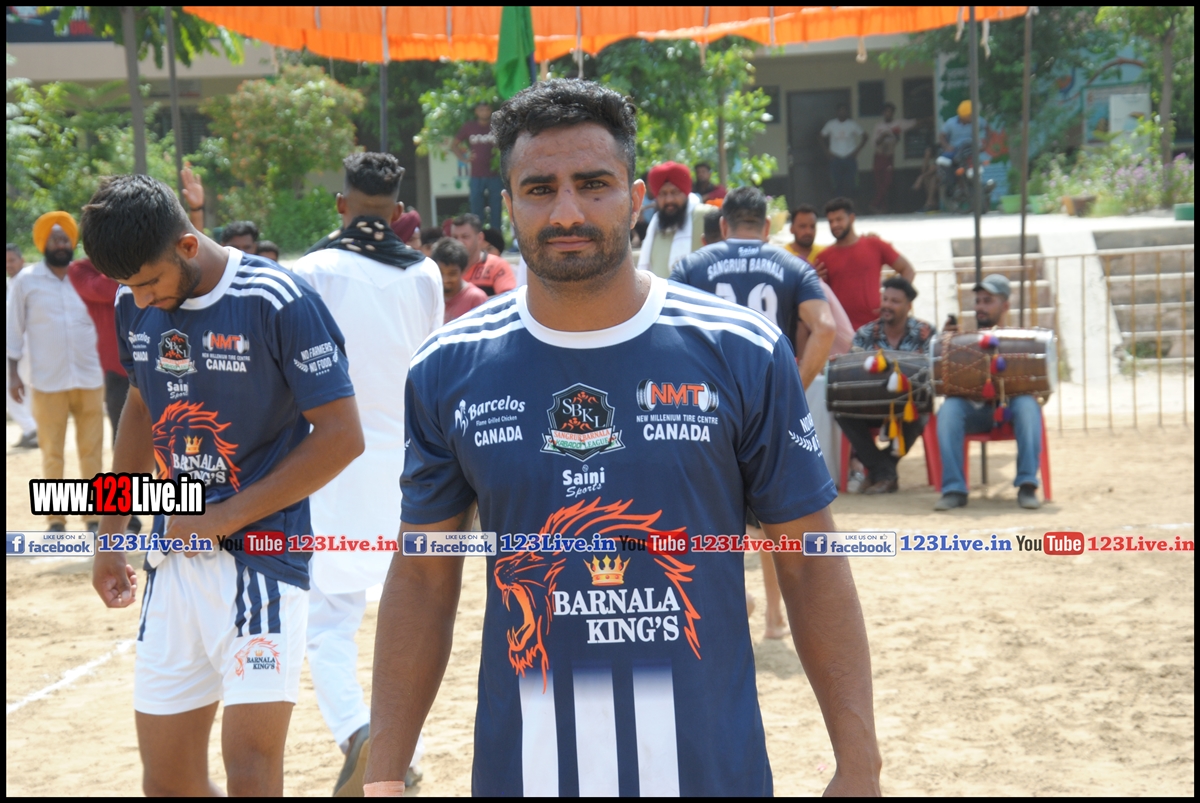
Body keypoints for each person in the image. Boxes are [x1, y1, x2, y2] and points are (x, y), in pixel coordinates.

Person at [365, 78, 880, 798]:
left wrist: (859, 765)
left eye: (593, 184)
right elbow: (423, 577)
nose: (566, 211)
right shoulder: (449, 367)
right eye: (539, 189)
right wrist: (383, 775)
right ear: (507, 205)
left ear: (636, 199)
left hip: (709, 773)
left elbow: (809, 563)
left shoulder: (741, 350)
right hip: (528, 773)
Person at [82, 174, 364, 797]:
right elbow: (139, 407)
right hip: (172, 563)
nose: (141, 299)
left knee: (251, 772)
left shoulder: (277, 299)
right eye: (128, 286)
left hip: (264, 562)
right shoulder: (134, 300)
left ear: (187, 245)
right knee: (168, 783)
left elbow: (343, 437)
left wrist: (221, 518)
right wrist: (111, 533)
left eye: (148, 282)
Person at [293, 152, 442, 793]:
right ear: (399, 209)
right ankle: (399, 748)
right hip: (407, 466)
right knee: (408, 614)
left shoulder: (310, 271)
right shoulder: (425, 273)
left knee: (328, 619)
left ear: (341, 203)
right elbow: (432, 368)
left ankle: (358, 731)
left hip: (330, 460)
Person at [671, 185, 837, 642]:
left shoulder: (692, 265)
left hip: (708, 405)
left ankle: (735, 598)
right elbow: (825, 328)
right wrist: (794, 388)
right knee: (774, 516)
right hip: (767, 401)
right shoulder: (792, 264)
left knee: (709, 508)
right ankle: (774, 618)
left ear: (723, 225)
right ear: (767, 227)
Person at [7, 212, 104, 532]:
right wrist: (13, 374)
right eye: (54, 239)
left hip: (91, 376)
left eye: (65, 239)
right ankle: (57, 520)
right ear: (43, 243)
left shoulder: (88, 277)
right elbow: (13, 330)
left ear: (72, 242)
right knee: (52, 453)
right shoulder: (26, 280)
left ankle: (93, 517)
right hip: (48, 381)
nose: (60, 244)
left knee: (92, 450)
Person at [935, 274, 1044, 511]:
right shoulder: (961, 341)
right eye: (978, 301)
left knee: (1028, 405)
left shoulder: (1021, 341)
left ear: (1005, 306)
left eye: (988, 301)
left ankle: (1027, 485)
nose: (980, 307)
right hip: (975, 413)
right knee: (948, 411)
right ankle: (954, 489)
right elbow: (943, 382)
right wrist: (946, 343)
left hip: (1011, 413)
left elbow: (1037, 384)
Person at [837, 276, 935, 495]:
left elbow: (933, 373)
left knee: (921, 413)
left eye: (895, 301)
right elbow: (852, 369)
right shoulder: (865, 334)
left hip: (907, 407)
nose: (887, 305)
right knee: (841, 412)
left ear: (908, 306)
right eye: (885, 299)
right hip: (870, 407)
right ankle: (885, 472)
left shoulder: (925, 333)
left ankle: (880, 472)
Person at [816, 197, 916, 330]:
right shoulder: (823, 257)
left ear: (851, 218)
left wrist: (891, 302)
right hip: (842, 330)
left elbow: (907, 270)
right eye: (831, 221)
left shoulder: (875, 245)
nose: (835, 225)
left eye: (839, 219)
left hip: (877, 328)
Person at [636, 160, 707, 278]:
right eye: (663, 194)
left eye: (675, 192)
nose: (669, 200)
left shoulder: (703, 216)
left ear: (685, 193)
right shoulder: (656, 225)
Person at [454, 101, 504, 231]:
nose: (484, 112)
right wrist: (464, 158)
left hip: (494, 175)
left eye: (486, 110)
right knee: (476, 212)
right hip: (476, 175)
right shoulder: (469, 127)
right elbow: (454, 145)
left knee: (496, 209)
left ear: (490, 110)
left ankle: (495, 238)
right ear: (476, 111)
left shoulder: (496, 126)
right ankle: (477, 238)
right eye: (481, 110)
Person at [5, 243, 37, 448]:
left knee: (19, 386)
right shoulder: (12, 284)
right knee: (22, 388)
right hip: (17, 346)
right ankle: (32, 429)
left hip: (27, 346)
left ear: (21, 260)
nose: (8, 265)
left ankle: (31, 428)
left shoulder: (28, 281)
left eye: (12, 260)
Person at [450, 213, 517, 296]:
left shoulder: (497, 265)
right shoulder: (446, 268)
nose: (459, 242)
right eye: (455, 237)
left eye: (465, 237)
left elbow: (507, 298)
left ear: (479, 238)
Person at [870, 102, 917, 214]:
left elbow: (912, 124)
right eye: (886, 112)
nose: (888, 114)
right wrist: (883, 136)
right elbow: (875, 143)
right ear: (883, 113)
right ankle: (882, 208)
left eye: (890, 112)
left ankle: (874, 204)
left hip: (889, 157)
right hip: (879, 157)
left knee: (887, 181)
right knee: (879, 183)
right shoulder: (878, 126)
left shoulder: (897, 125)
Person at [433, 237, 488, 322]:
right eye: (441, 273)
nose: (445, 279)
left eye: (452, 273)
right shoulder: (431, 296)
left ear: (464, 270)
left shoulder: (476, 298)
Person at [821, 103, 866, 199]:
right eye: (840, 110)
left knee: (853, 184)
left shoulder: (852, 124)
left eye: (844, 110)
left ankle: (853, 204)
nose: (842, 112)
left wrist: (857, 151)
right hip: (835, 158)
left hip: (850, 158)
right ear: (837, 112)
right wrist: (826, 152)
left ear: (847, 112)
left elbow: (865, 136)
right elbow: (820, 137)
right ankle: (838, 204)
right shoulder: (831, 124)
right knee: (836, 184)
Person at [912, 145, 940, 212]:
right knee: (926, 178)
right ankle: (932, 202)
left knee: (933, 179)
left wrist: (920, 177)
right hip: (935, 178)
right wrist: (926, 158)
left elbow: (934, 169)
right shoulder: (930, 160)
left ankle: (929, 202)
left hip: (944, 176)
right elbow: (923, 171)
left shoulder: (938, 157)